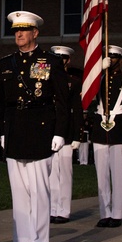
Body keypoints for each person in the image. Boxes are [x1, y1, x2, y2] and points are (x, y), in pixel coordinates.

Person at [0, 11, 70, 242]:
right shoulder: (6, 63)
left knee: (39, 192)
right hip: (16, 129)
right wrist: (3, 131)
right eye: (16, 30)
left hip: (41, 130)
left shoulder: (50, 61)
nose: (18, 34)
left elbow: (63, 101)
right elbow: (3, 103)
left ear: (35, 33)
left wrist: (60, 132)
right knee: (19, 193)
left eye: (24, 30)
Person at [88, 45, 122, 228]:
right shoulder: (97, 79)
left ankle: (116, 213)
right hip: (100, 128)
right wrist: (97, 71)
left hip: (119, 127)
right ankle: (105, 212)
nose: (111, 60)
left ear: (120, 60)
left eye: (114, 57)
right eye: (108, 57)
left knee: (117, 173)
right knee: (101, 174)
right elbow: (87, 94)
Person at [48, 45, 83, 224]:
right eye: (56, 58)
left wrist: (77, 135)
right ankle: (53, 208)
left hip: (67, 133)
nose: (60, 61)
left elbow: (77, 110)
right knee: (52, 173)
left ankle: (63, 210)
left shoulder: (73, 82)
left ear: (68, 60)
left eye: (63, 58)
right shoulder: (47, 79)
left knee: (65, 173)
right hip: (49, 131)